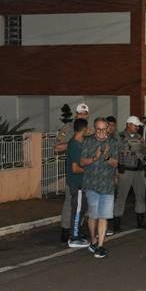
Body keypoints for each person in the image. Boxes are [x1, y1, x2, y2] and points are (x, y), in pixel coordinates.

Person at [80, 117, 120, 258]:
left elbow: (116, 163)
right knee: (93, 215)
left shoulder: (113, 142)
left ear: (108, 128)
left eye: (104, 129)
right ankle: (93, 239)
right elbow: (82, 162)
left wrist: (107, 157)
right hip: (91, 184)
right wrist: (95, 158)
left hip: (107, 185)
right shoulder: (88, 141)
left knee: (104, 216)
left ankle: (101, 245)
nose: (102, 132)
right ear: (95, 128)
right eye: (99, 129)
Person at [54, 103, 90, 243]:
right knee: (70, 202)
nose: (82, 115)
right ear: (76, 114)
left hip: (86, 171)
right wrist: (74, 141)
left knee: (83, 204)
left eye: (85, 113)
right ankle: (65, 230)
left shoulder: (89, 129)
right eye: (80, 113)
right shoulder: (68, 128)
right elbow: (56, 148)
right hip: (73, 170)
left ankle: (77, 229)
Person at [113, 115, 146, 232]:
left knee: (140, 196)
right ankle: (117, 223)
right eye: (135, 125)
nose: (137, 128)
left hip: (139, 170)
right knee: (121, 197)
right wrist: (117, 171)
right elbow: (116, 153)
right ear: (128, 124)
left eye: (138, 126)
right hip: (126, 170)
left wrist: (143, 145)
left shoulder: (140, 137)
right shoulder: (120, 137)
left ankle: (140, 221)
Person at [65, 118, 91, 248]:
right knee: (77, 210)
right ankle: (74, 237)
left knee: (82, 210)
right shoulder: (74, 144)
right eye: (87, 128)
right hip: (77, 184)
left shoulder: (81, 143)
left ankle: (78, 234)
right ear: (83, 129)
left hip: (83, 183)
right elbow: (75, 168)